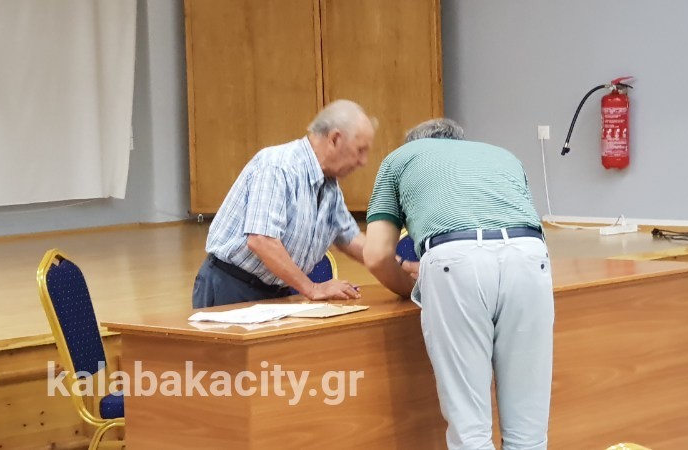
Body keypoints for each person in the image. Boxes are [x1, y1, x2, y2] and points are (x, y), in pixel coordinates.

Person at [363, 118, 554, 450]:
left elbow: (377, 256)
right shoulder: (503, 156)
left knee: (470, 427)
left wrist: (412, 289)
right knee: (529, 427)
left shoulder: (399, 158)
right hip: (530, 256)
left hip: (456, 261)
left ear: (414, 143)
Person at [192, 100, 374, 308]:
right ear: (335, 139)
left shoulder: (329, 185)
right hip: (231, 287)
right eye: (360, 150)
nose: (363, 161)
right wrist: (312, 288)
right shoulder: (278, 166)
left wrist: (398, 267)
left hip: (276, 291)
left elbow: (350, 238)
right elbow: (261, 240)